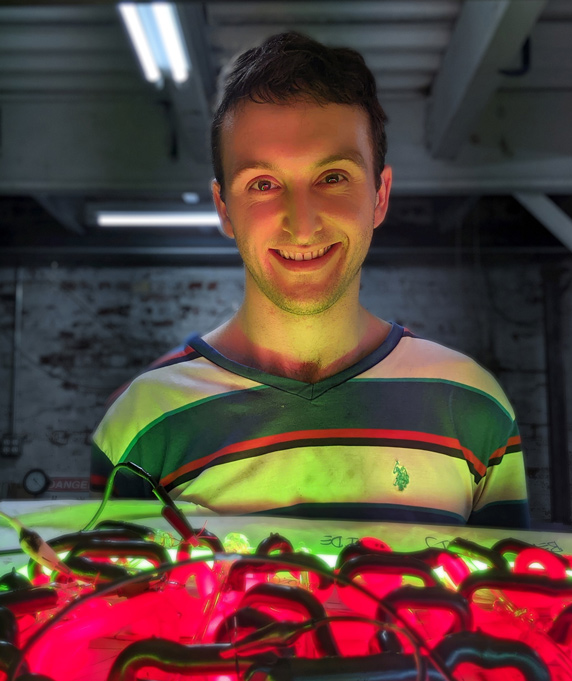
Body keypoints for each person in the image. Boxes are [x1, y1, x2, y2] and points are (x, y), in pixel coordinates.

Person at [91, 32, 529, 528]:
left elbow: (512, 602)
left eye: (333, 177)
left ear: (380, 195)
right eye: (263, 184)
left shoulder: (474, 404)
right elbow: (113, 601)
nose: (302, 225)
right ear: (224, 209)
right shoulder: (142, 423)